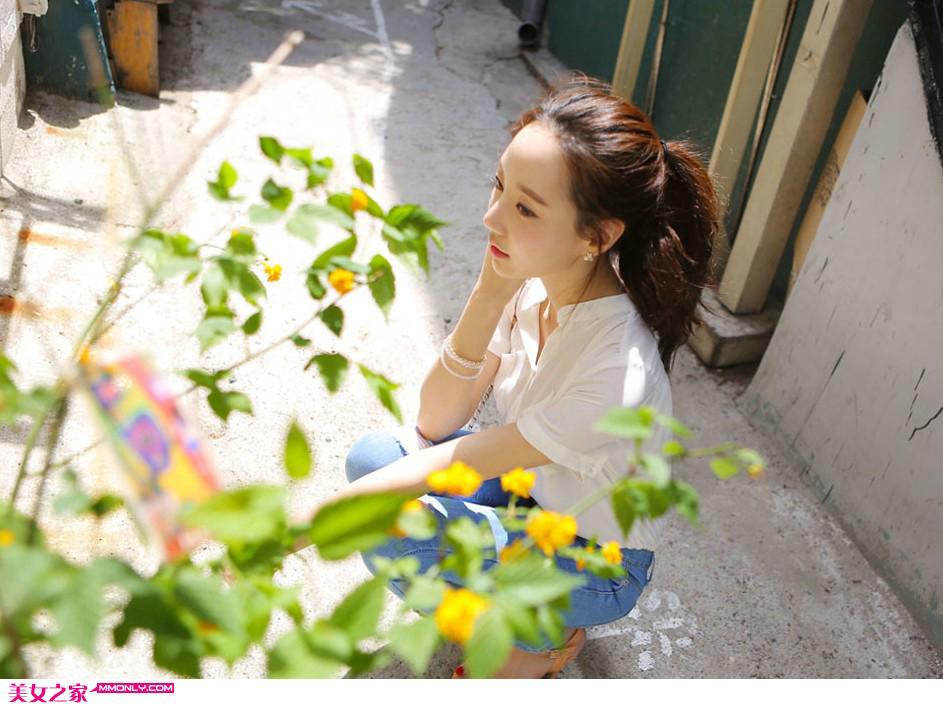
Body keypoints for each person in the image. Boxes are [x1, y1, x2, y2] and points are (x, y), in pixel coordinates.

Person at [338, 74, 720, 678]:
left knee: (387, 526)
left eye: (524, 208)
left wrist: (307, 527)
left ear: (597, 236)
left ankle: (541, 634)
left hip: (596, 557)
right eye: (499, 186)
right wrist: (492, 291)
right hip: (528, 494)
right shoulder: (535, 284)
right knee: (373, 460)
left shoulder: (617, 367)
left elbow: (448, 461)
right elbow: (436, 422)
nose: (492, 218)